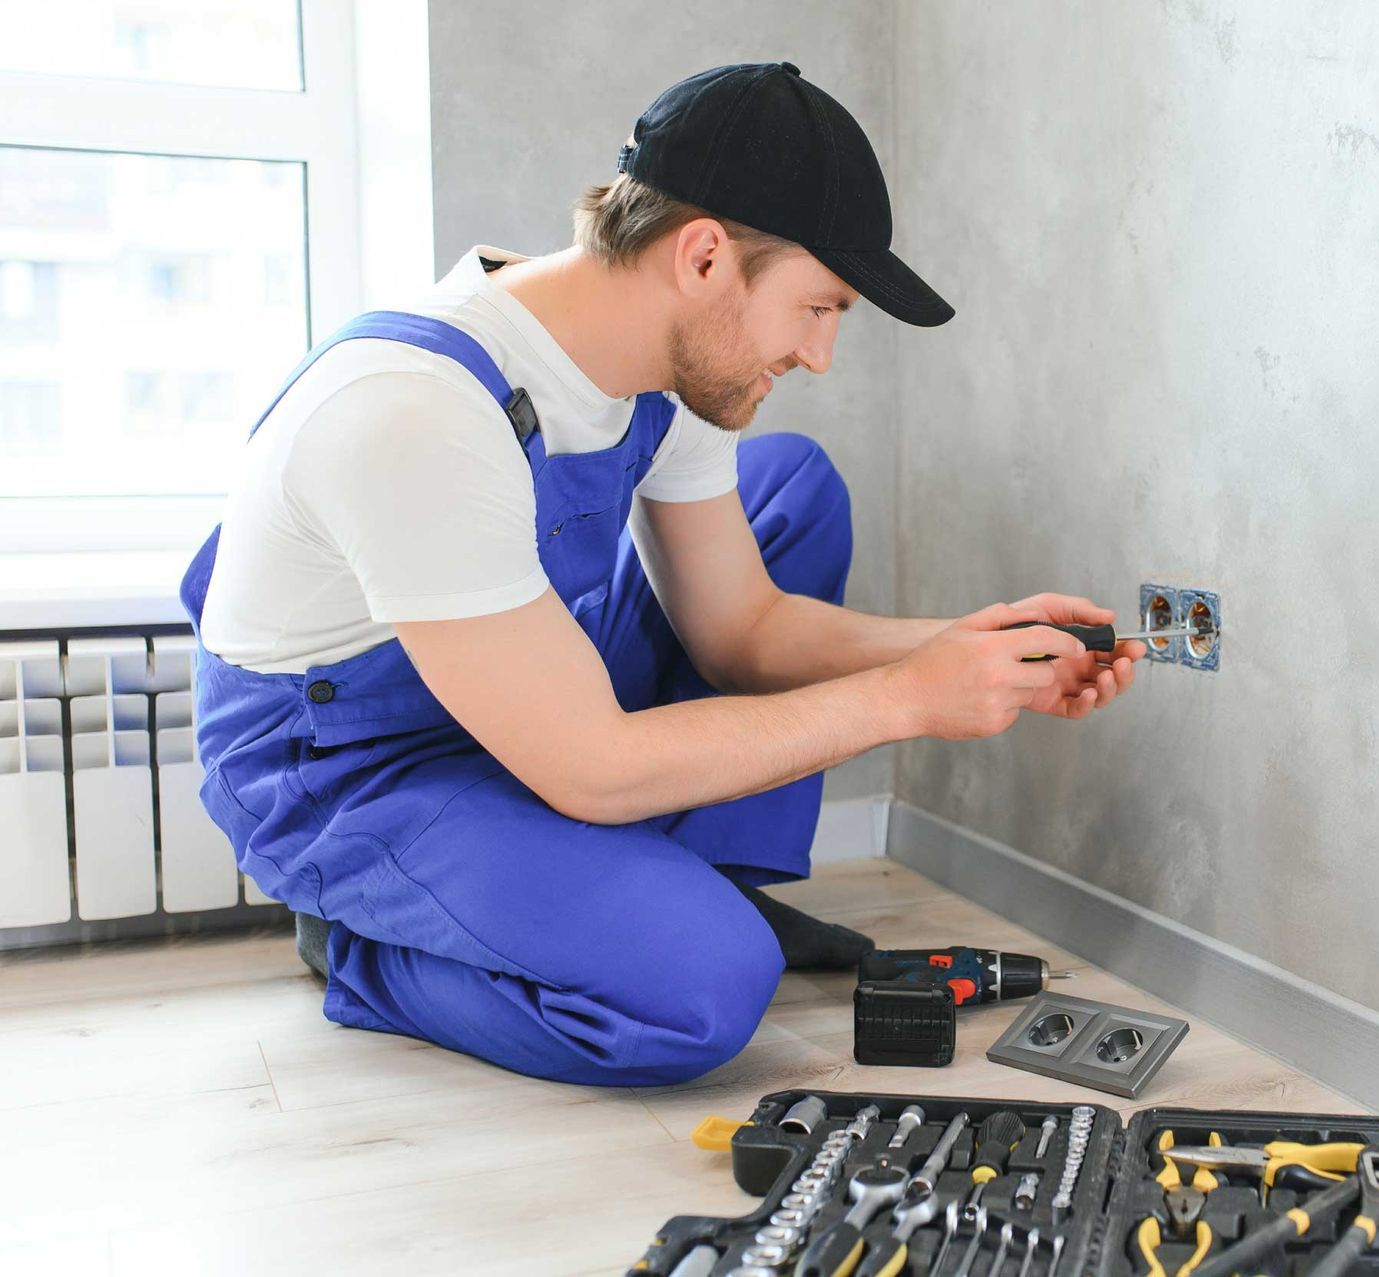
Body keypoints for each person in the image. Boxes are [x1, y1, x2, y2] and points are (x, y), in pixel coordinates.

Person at [178, 62, 1143, 1087]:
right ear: (704, 256)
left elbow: (744, 629)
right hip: (351, 769)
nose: (819, 354)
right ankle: (361, 944)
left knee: (790, 485)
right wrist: (907, 699)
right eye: (818, 307)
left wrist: (964, 643)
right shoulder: (419, 413)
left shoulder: (660, 374)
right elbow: (593, 765)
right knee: (705, 987)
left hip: (518, 702)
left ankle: (691, 878)